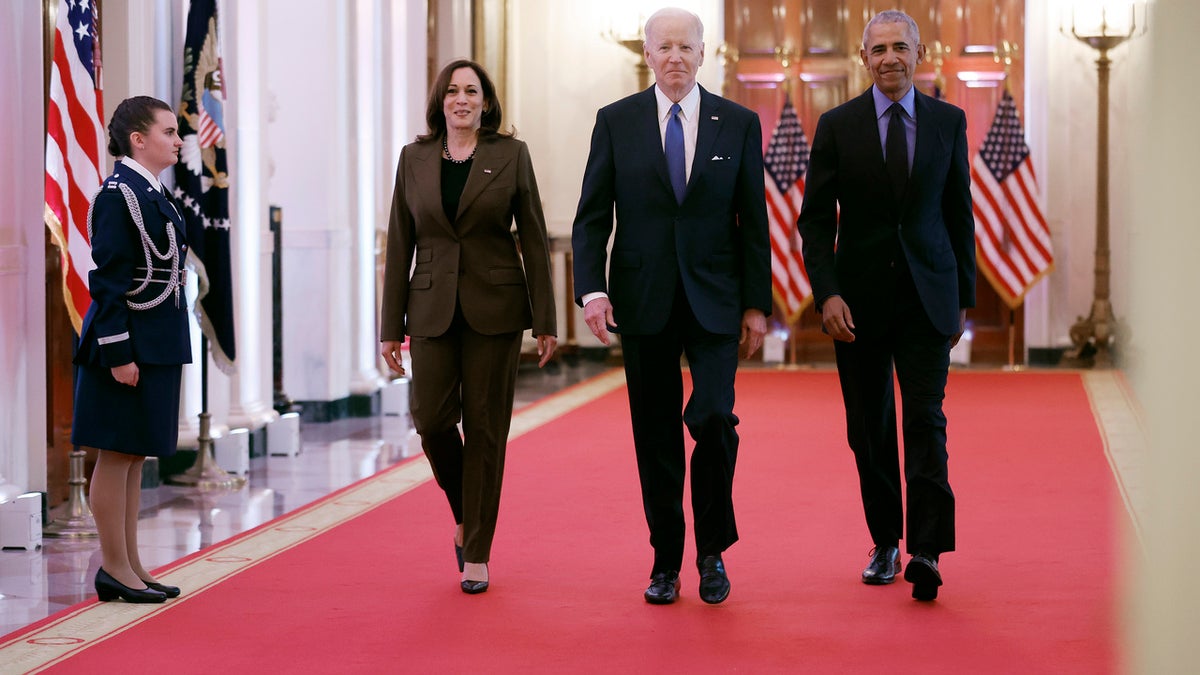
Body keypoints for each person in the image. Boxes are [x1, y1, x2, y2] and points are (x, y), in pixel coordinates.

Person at [572, 7, 770, 605]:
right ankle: (666, 561)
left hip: (716, 301)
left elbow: (753, 222)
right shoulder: (616, 121)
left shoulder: (736, 122)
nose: (676, 57)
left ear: (703, 54)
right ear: (649, 55)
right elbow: (590, 216)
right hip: (644, 298)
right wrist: (593, 289)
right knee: (654, 434)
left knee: (713, 418)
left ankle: (712, 553)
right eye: (665, 47)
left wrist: (757, 304)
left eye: (687, 47)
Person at [796, 10, 976, 601]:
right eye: (879, 50)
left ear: (919, 54)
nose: (890, 58)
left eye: (901, 47)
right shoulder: (837, 125)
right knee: (869, 430)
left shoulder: (950, 122)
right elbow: (817, 221)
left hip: (928, 299)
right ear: (864, 59)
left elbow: (958, 214)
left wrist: (962, 301)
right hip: (859, 306)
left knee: (925, 421)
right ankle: (886, 541)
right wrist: (827, 293)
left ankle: (926, 549)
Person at [380, 59, 557, 595]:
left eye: (472, 91)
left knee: (484, 430)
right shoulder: (414, 158)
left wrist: (545, 318)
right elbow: (400, 242)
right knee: (431, 420)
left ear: (486, 101)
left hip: (495, 309)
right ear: (441, 101)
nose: (462, 99)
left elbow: (532, 234)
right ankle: (465, 511)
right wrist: (390, 326)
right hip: (431, 306)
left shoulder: (510, 154)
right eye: (453, 91)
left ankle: (476, 551)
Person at [72, 96, 190, 603]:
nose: (179, 140)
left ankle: (131, 565)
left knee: (135, 454)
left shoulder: (152, 192)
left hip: (156, 337)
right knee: (116, 454)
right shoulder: (119, 194)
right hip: (126, 342)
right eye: (168, 131)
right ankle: (114, 568)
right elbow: (109, 280)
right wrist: (119, 353)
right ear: (138, 140)